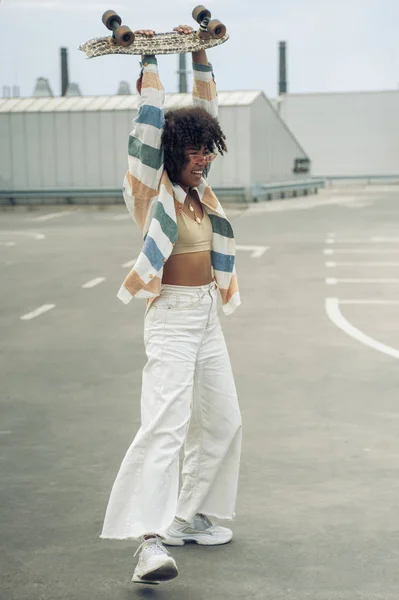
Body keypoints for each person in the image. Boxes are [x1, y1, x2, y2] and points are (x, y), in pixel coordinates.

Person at [100, 25, 242, 585]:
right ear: (170, 151)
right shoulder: (149, 189)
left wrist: (201, 52)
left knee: (225, 420)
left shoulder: (200, 193)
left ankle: (188, 515)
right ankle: (149, 543)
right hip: (172, 320)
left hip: (207, 315)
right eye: (195, 150)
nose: (204, 158)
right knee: (164, 427)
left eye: (209, 150)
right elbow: (149, 124)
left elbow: (207, 106)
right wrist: (151, 56)